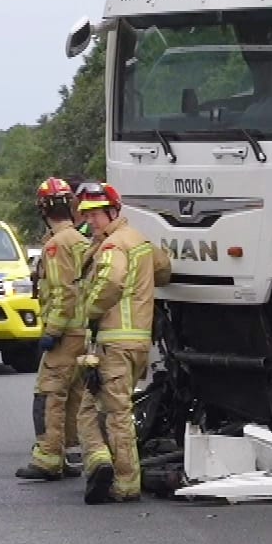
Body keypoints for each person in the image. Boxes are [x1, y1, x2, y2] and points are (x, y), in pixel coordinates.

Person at [75, 181, 171, 504]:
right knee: (94, 407)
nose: (92, 222)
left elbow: (112, 282)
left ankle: (124, 481)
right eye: (88, 215)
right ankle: (102, 461)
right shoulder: (140, 241)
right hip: (138, 341)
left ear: (113, 212)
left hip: (114, 342)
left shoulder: (113, 247)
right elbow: (164, 270)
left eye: (97, 215)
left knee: (113, 412)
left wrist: (90, 309)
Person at [18, 178, 93, 482]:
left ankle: (48, 457)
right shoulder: (82, 241)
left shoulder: (56, 245)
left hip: (65, 334)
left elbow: (64, 292)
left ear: (43, 209)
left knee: (49, 393)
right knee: (74, 395)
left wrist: (53, 330)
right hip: (84, 332)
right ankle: (72, 453)